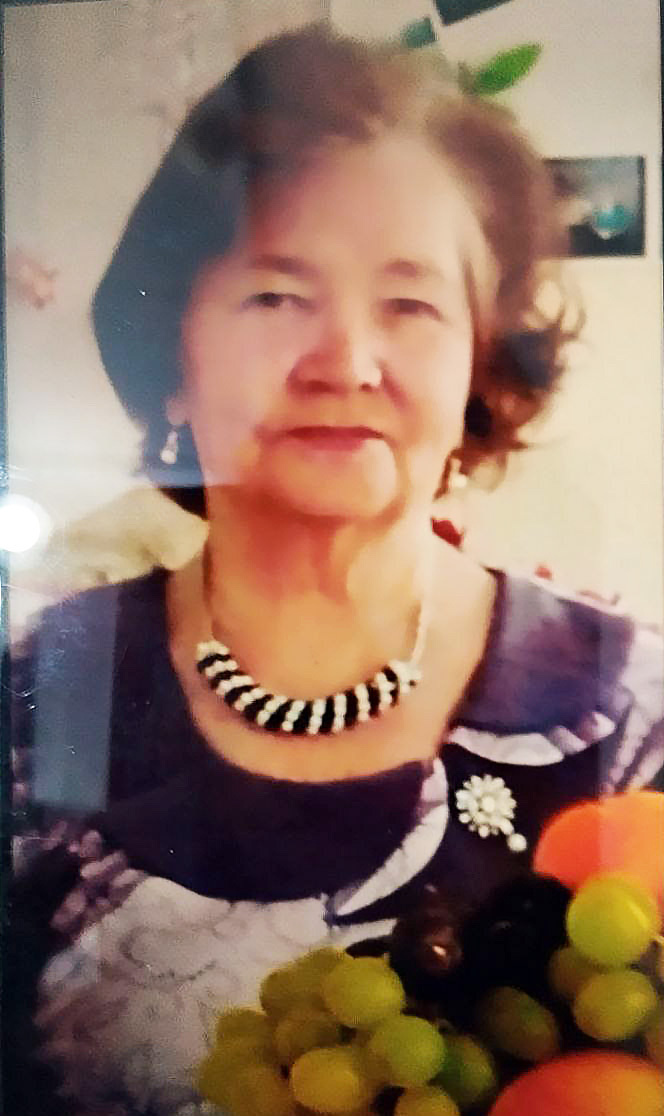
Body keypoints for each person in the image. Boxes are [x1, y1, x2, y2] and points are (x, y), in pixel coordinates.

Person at [8, 24, 663, 1116]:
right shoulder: (36, 696)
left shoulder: (631, 713)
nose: (346, 362)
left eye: (410, 304)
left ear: (477, 364)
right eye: (276, 295)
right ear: (171, 353)